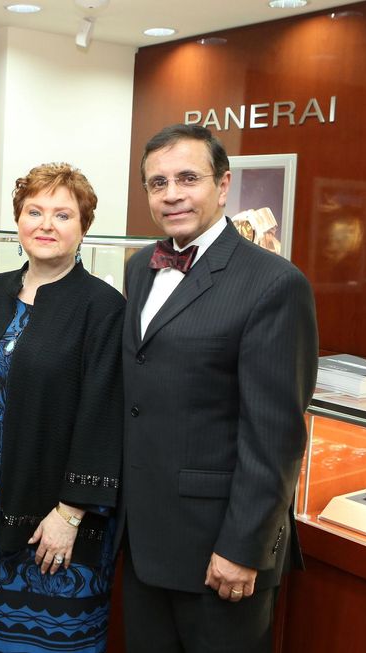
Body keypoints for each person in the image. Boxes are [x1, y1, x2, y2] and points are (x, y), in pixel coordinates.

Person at [118, 123, 318, 652]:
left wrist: (243, 548)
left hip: (220, 553)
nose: (172, 194)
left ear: (224, 185)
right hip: (143, 543)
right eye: (157, 183)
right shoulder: (140, 268)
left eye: (188, 178)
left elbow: (275, 436)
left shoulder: (274, 283)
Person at [0, 163, 125, 652]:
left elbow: (102, 414)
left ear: (83, 228)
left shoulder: (102, 308)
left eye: (62, 215)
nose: (46, 224)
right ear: (17, 220)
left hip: (53, 521)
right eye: (34, 211)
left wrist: (70, 514)